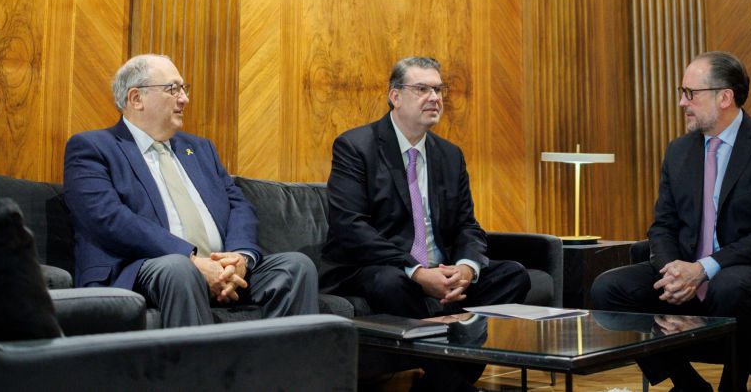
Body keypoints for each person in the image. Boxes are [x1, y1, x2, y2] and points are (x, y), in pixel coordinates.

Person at [590, 52, 751, 392]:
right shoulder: (679, 151)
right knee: (608, 289)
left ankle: (732, 387)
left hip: (750, 267)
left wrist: (704, 268)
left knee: (730, 285)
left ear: (724, 97)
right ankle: (688, 385)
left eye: (690, 93)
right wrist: (672, 269)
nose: (681, 102)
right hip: (687, 265)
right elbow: (662, 225)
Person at [61, 54, 320, 327]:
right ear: (136, 98)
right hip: (142, 269)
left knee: (295, 267)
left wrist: (238, 259)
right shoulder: (93, 147)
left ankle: (287, 370)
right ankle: (196, 370)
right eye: (172, 89)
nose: (184, 99)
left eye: (184, 89)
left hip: (218, 268)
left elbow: (238, 206)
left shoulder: (199, 148)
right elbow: (107, 218)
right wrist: (191, 259)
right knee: (178, 269)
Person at [324, 56, 531, 392]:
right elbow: (350, 226)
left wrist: (465, 270)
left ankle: (438, 385)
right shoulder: (356, 146)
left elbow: (467, 225)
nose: (435, 98)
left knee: (514, 275)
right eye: (422, 89)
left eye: (438, 90)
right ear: (395, 96)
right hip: (381, 267)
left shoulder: (449, 155)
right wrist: (418, 273)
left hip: (441, 268)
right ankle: (454, 386)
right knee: (389, 283)